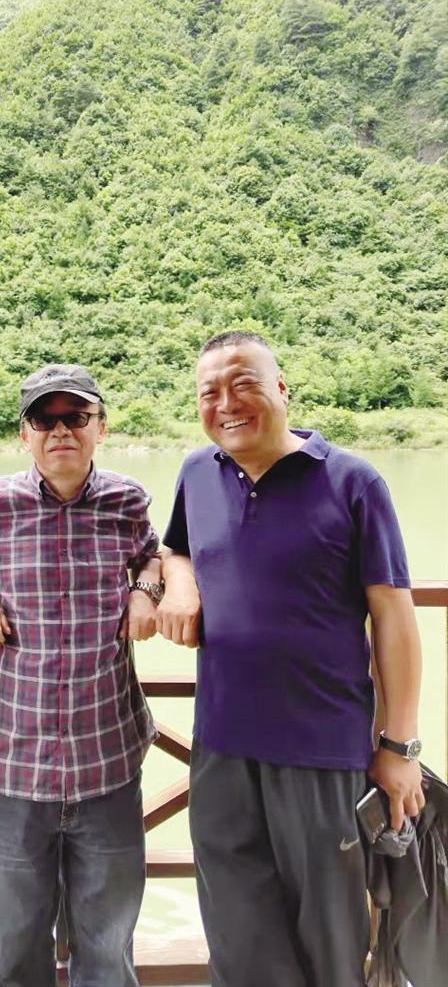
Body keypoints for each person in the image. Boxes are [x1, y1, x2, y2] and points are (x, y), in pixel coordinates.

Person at [156, 330, 424, 987]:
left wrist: (399, 747)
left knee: (330, 945)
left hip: (322, 752)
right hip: (220, 748)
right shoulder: (197, 472)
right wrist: (180, 585)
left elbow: (394, 618)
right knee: (237, 939)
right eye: (209, 392)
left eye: (243, 383)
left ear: (282, 389)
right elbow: (176, 548)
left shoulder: (353, 481)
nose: (226, 403)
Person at [0, 363, 163, 987]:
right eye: (44, 420)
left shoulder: (127, 501)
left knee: (107, 948)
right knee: (16, 951)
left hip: (108, 760)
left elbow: (154, 554)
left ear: (101, 427)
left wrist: (147, 590)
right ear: (25, 434)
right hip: (15, 764)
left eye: (76, 417)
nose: (61, 431)